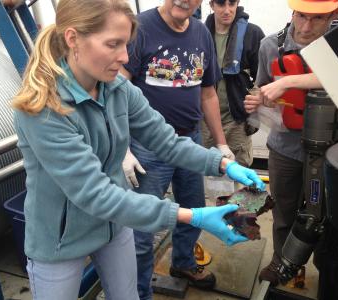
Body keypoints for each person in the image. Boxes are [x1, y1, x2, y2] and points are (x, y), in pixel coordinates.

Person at [11, 0, 265, 299]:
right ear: (72, 38)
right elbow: (95, 194)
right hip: (60, 238)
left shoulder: (118, 90)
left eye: (127, 44)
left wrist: (222, 164)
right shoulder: (43, 109)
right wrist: (192, 216)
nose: (124, 56)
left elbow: (166, 142)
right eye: (113, 44)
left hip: (113, 226)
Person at [120, 0, 241, 297]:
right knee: (142, 226)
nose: (182, 1)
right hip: (146, 147)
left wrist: (221, 143)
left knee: (193, 207)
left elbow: (208, 93)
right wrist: (123, 147)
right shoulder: (141, 28)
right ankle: (138, 290)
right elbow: (116, 88)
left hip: (189, 141)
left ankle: (183, 262)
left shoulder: (201, 33)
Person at [243, 0, 338, 286]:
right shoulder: (270, 46)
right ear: (292, 12)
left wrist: (290, 82)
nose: (307, 27)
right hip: (285, 147)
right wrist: (256, 98)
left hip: (332, 151)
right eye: (302, 16)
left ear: (333, 15)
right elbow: (261, 87)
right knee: (283, 211)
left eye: (317, 19)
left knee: (326, 216)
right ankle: (283, 264)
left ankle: (327, 270)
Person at [202, 0, 265, 167]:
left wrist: (257, 97)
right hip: (204, 120)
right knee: (206, 171)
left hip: (236, 120)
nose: (227, 10)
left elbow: (265, 77)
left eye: (232, 3)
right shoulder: (199, 33)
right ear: (211, 4)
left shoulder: (253, 33)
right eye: (221, 4)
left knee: (240, 174)